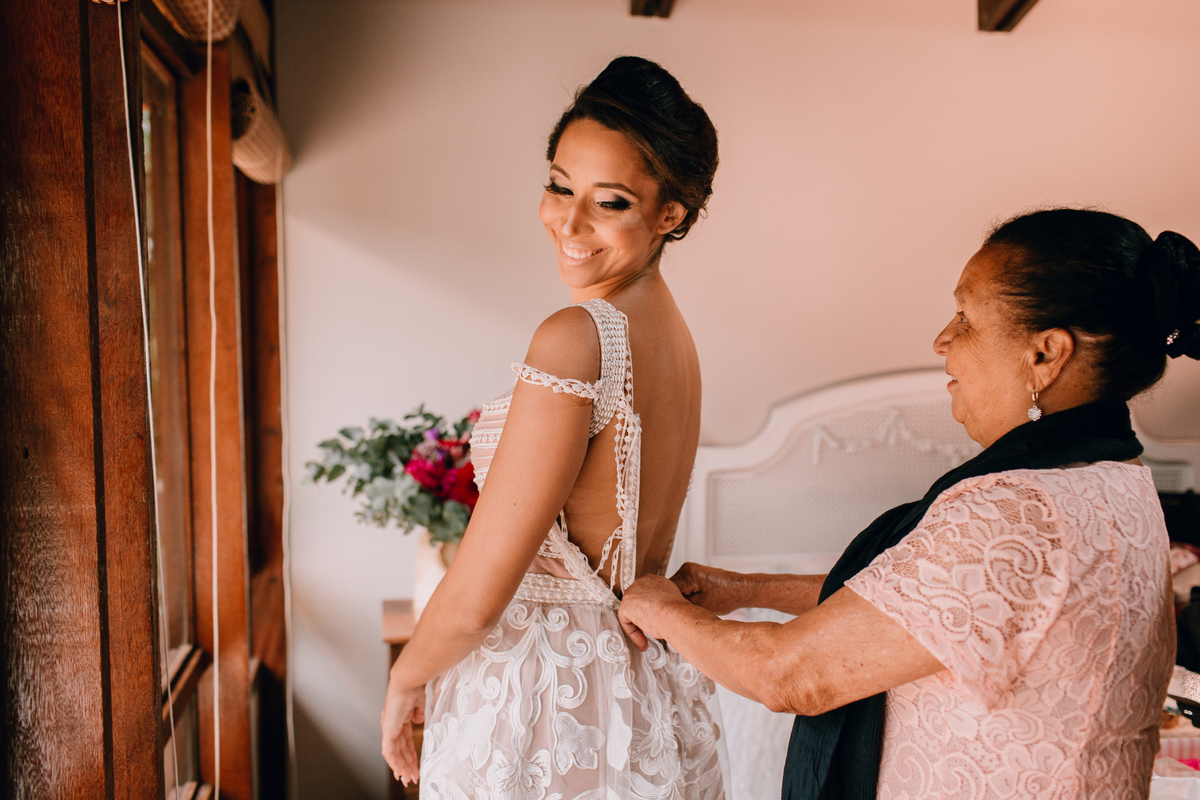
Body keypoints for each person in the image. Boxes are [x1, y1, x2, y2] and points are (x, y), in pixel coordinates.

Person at [618, 208, 1200, 799]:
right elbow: (919, 608)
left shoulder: (1021, 511)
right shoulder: (1114, 480)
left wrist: (661, 610)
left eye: (966, 317)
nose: (942, 339)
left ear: (1045, 355)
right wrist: (744, 591)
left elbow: (790, 675)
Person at [380, 56, 724, 799]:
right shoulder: (675, 339)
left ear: (671, 213)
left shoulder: (579, 336)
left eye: (610, 202)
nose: (568, 221)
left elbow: (478, 594)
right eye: (558, 185)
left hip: (547, 698)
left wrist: (406, 678)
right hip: (642, 687)